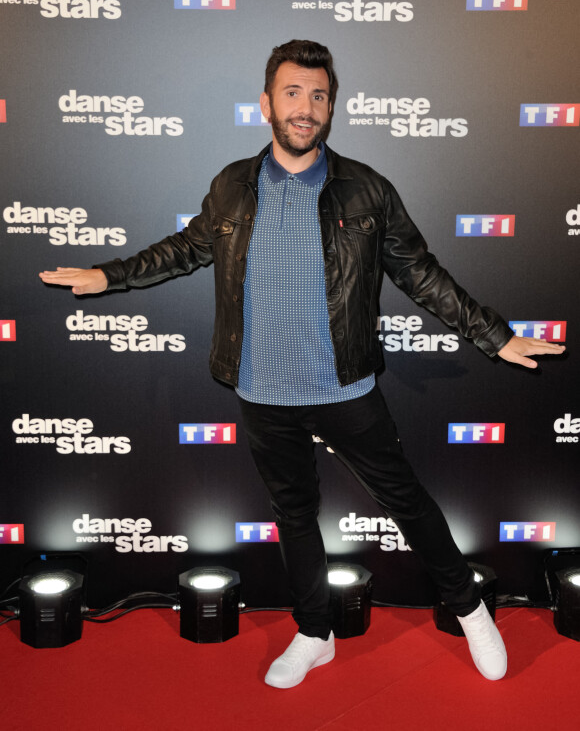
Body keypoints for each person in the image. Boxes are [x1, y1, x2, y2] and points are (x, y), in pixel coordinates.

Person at [40, 40, 564, 689]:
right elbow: (184, 249)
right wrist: (108, 275)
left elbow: (420, 273)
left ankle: (469, 606)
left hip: (345, 385)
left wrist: (493, 334)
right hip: (261, 390)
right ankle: (314, 632)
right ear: (266, 103)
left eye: (318, 96)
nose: (305, 108)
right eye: (292, 93)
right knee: (294, 514)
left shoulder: (367, 190)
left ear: (331, 107)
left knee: (407, 501)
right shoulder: (232, 185)